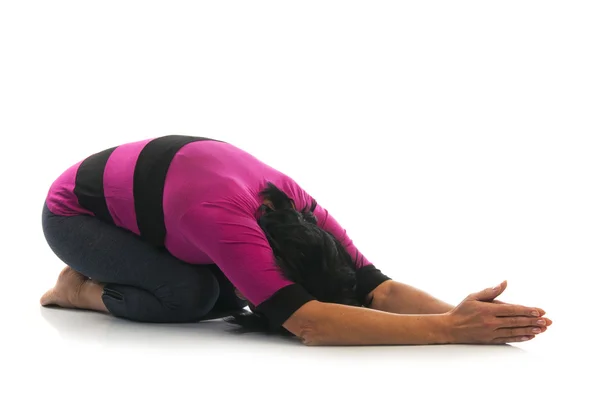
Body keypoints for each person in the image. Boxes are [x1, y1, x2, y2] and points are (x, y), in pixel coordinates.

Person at [41, 135, 552, 346]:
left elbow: (378, 287)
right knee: (194, 298)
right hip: (75, 217)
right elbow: (309, 323)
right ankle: (78, 289)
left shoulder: (294, 204)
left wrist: (462, 315)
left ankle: (134, 265)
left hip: (164, 208)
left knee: (224, 298)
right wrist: (448, 332)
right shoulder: (226, 223)